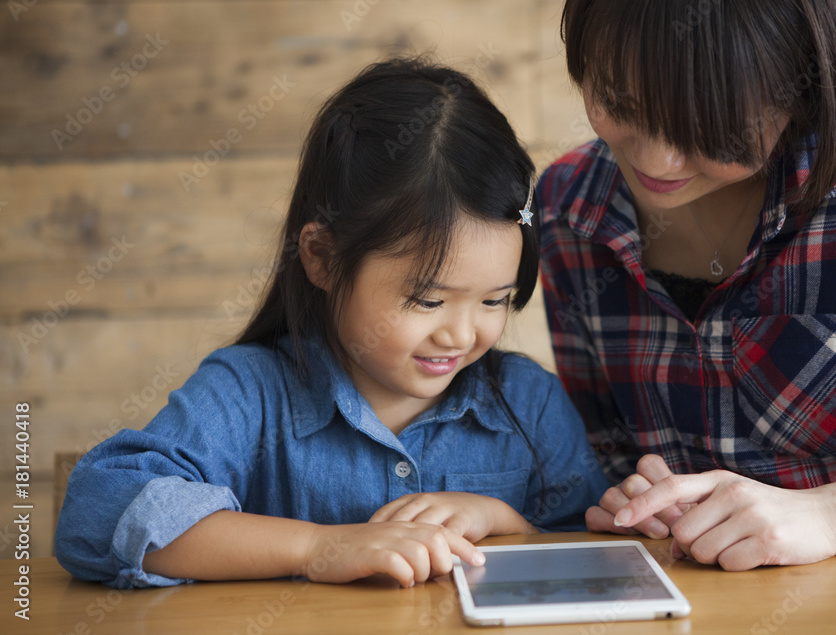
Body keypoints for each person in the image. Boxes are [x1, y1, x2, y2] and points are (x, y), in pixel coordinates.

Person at [55, 57, 607, 589]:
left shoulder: (530, 404)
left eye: (494, 302)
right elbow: (97, 513)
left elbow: (598, 555)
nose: (462, 336)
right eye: (427, 301)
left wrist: (505, 521)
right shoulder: (250, 395)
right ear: (321, 257)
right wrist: (318, 548)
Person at [540, 0, 836, 571]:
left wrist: (833, 516)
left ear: (808, 87)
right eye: (619, 102)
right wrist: (633, 499)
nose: (655, 159)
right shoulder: (571, 212)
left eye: (713, 130)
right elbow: (608, 466)